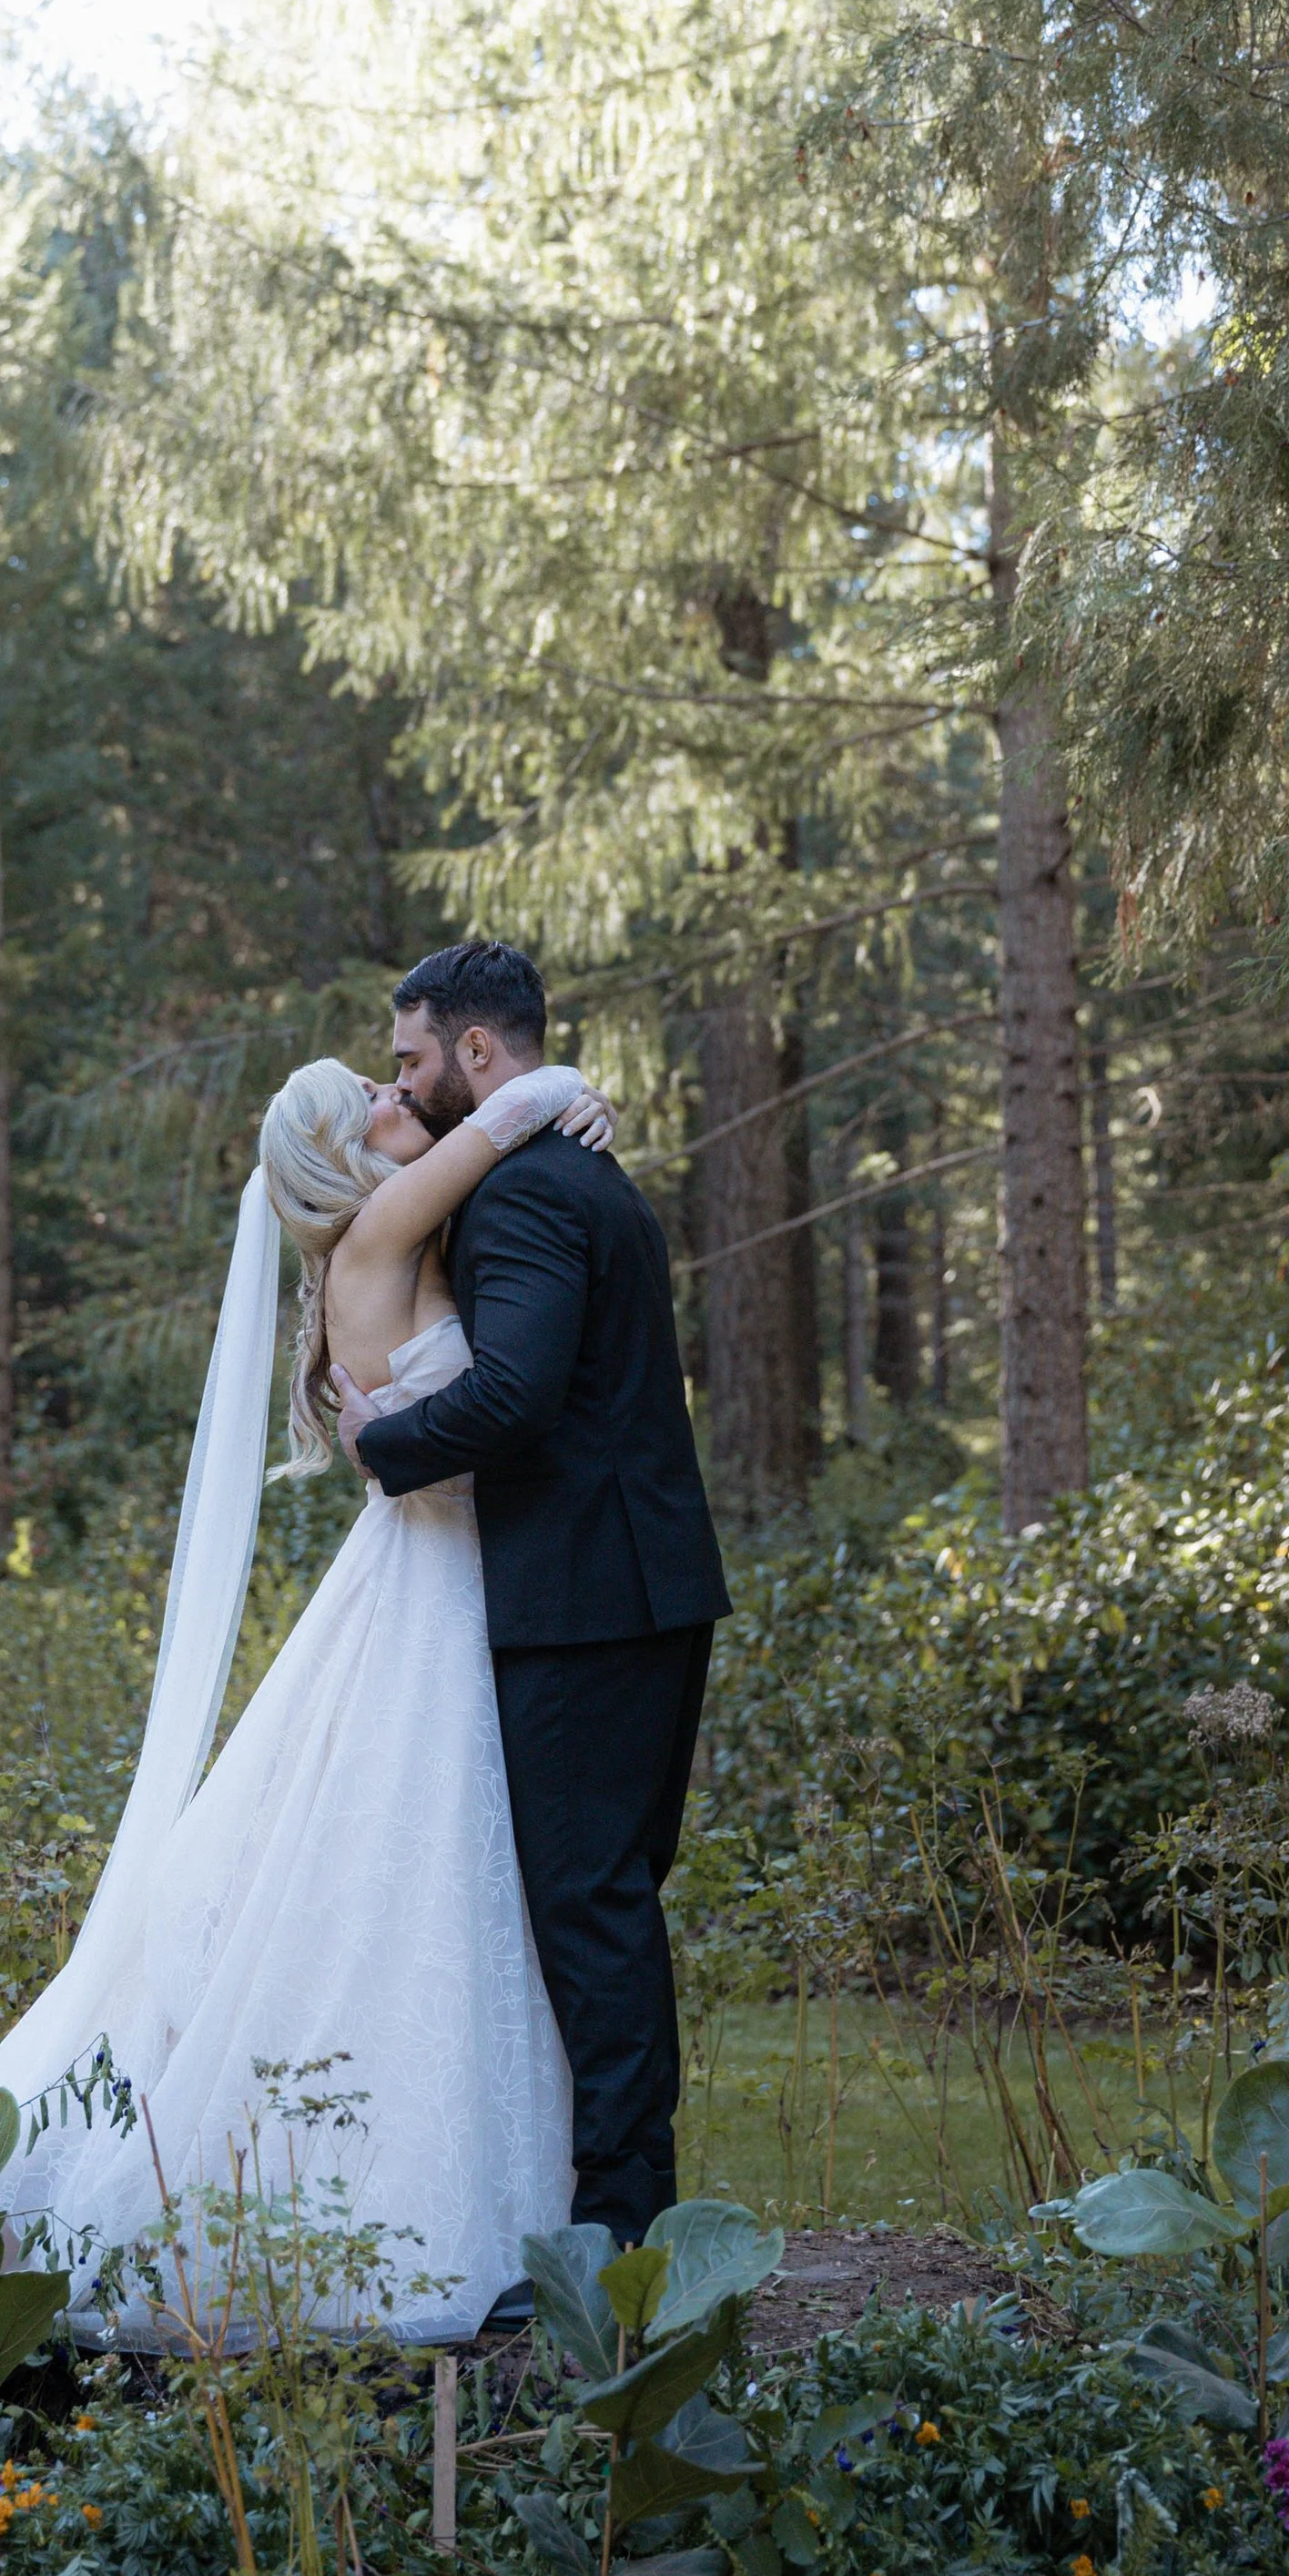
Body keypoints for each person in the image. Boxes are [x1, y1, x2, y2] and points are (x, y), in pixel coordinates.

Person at [0, 1032, 619, 2341]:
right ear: (346, 1149)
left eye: (398, 1084)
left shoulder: (377, 1250)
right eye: (379, 1097)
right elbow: (504, 1126)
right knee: (434, 1867)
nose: (400, 1099)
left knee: (421, 1878)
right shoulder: (387, 1227)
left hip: (439, 1580)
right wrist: (564, 1090)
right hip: (437, 1588)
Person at [337, 941, 730, 2254]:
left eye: (412, 1058)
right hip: (645, 1584)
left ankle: (622, 2231)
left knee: (593, 1906)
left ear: (480, 1056)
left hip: (582, 1601)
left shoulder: (518, 1204)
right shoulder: (584, 1174)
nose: (403, 1079)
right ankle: (616, 2199)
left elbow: (515, 1396)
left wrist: (378, 1442)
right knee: (612, 1897)